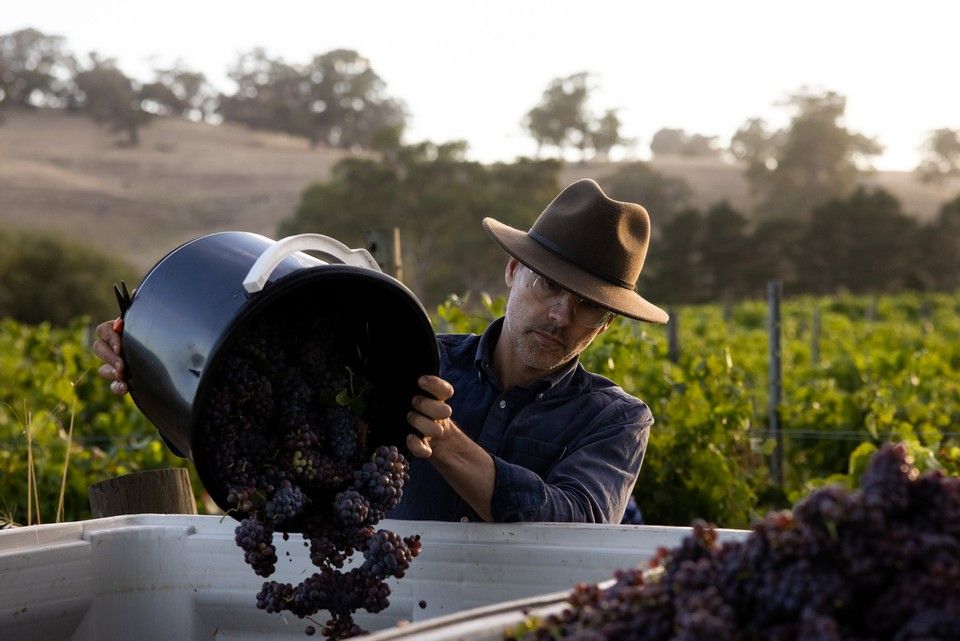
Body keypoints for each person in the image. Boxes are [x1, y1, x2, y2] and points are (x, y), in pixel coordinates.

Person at [93, 178, 668, 524]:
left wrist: (448, 444)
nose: (561, 315)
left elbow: (576, 523)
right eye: (548, 286)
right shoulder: (413, 360)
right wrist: (151, 361)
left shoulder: (614, 420)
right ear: (514, 272)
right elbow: (263, 433)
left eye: (587, 307)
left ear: (605, 325)